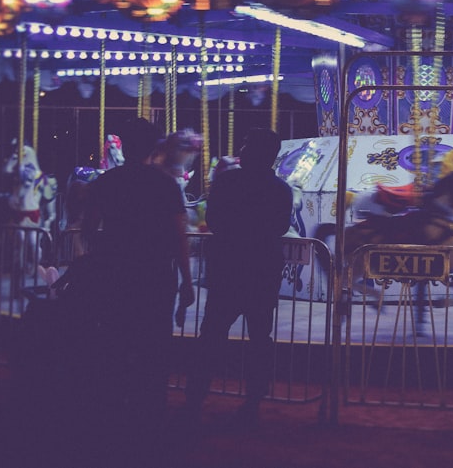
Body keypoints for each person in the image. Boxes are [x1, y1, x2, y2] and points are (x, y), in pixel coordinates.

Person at [79, 117, 195, 461]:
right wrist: (187, 281)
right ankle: (150, 419)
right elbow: (179, 236)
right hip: (155, 276)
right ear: (154, 148)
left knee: (114, 342)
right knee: (154, 348)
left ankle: (112, 411)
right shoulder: (165, 185)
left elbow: (88, 226)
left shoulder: (108, 181)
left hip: (115, 272)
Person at [182, 128, 293, 425]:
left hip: (228, 269)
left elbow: (214, 220)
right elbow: (281, 227)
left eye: (245, 145)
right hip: (261, 271)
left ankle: (195, 396)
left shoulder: (226, 183)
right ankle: (254, 399)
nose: (241, 151)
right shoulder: (281, 189)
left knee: (212, 334)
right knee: (259, 337)